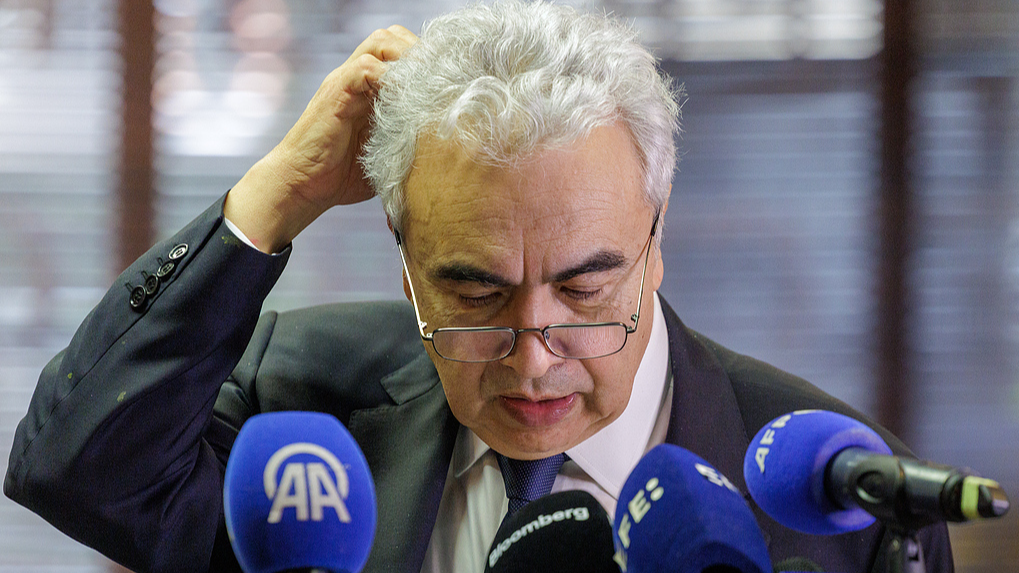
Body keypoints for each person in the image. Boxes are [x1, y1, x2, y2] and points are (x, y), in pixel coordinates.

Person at [5, 2, 952, 572]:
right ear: (405, 255)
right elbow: (76, 468)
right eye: (474, 291)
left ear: (654, 241)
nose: (533, 354)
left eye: (585, 288)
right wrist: (276, 195)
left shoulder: (836, 494)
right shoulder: (294, 411)